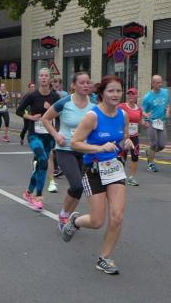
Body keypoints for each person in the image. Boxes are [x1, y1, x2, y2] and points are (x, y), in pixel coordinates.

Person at [62, 75, 133, 275]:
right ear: (102, 93)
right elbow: (75, 143)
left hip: (115, 168)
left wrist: (126, 143)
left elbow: (123, 138)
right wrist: (98, 148)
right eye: (111, 91)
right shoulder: (92, 116)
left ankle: (104, 258)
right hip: (93, 170)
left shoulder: (123, 115)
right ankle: (75, 221)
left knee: (117, 216)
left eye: (118, 90)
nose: (115, 94)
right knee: (96, 221)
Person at [41, 71, 95, 230]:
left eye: (88, 82)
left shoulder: (94, 105)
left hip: (85, 151)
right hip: (65, 149)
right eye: (82, 83)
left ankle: (65, 215)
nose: (86, 85)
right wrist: (56, 135)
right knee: (77, 185)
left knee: (79, 188)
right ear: (73, 85)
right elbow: (45, 118)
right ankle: (64, 215)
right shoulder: (64, 103)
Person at [16, 68, 60, 211]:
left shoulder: (55, 96)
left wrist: (51, 109)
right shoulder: (32, 95)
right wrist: (31, 117)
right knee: (42, 160)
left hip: (49, 136)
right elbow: (19, 111)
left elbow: (61, 114)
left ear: (50, 79)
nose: (43, 78)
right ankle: (39, 197)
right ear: (38, 78)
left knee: (42, 165)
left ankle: (28, 192)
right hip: (34, 134)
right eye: (41, 75)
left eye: (46, 76)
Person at [142, 74, 169, 173]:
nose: (160, 84)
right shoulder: (147, 97)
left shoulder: (165, 92)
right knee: (153, 144)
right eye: (157, 83)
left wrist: (167, 110)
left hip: (161, 122)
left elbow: (167, 103)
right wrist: (145, 118)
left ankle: (149, 152)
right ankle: (151, 164)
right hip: (151, 122)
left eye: (161, 82)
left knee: (161, 145)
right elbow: (142, 110)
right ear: (152, 83)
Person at [118, 88, 144, 186]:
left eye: (133, 94)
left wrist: (145, 123)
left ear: (137, 96)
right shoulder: (122, 106)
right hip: (124, 136)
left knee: (135, 156)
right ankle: (120, 176)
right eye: (129, 94)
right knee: (122, 156)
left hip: (134, 136)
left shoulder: (139, 109)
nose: (131, 96)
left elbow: (140, 121)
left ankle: (132, 178)